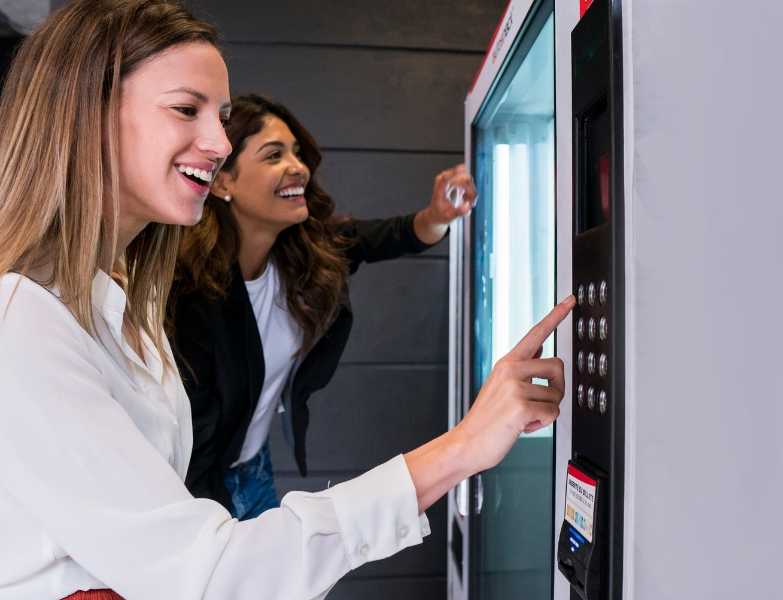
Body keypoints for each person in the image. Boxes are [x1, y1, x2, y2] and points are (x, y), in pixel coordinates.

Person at [0, 1, 573, 599]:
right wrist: (461, 447)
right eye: (185, 110)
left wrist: (437, 217)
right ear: (86, 116)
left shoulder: (127, 301)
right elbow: (211, 573)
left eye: (221, 118)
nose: (218, 142)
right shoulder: (28, 321)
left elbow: (378, 237)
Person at [167, 94, 475, 519]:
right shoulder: (190, 293)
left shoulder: (304, 255)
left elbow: (389, 236)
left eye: (296, 153)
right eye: (274, 155)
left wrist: (439, 214)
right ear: (223, 182)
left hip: (253, 469)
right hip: (194, 487)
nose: (298, 167)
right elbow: (190, 432)